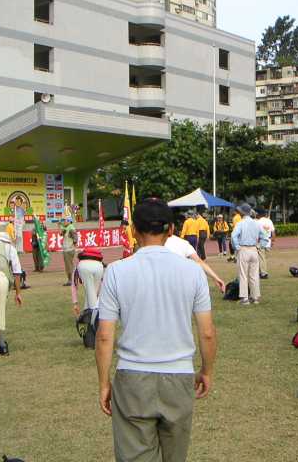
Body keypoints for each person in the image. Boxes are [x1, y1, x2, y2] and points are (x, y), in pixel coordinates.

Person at [95, 198, 217, 462]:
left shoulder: (116, 271)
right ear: (171, 230)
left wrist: (104, 383)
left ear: (134, 230)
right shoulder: (193, 272)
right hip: (179, 376)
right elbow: (207, 332)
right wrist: (206, 371)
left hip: (132, 378)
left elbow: (104, 335)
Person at [231, 203, 267, 305]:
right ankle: (255, 298)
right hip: (254, 250)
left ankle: (245, 298)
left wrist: (237, 247)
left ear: (242, 212)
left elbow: (233, 236)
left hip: (243, 249)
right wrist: (260, 246)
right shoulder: (256, 223)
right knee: (254, 275)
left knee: (243, 275)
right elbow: (264, 237)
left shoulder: (240, 223)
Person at [72, 247, 105, 317]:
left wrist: (75, 303)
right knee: (92, 293)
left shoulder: (78, 266)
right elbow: (102, 284)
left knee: (90, 292)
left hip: (84, 267)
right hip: (99, 266)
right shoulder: (99, 263)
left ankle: (95, 317)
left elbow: (74, 285)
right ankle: (87, 314)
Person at [256, 208, 275, 279]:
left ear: (259, 214)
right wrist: (273, 241)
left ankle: (263, 273)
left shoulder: (258, 222)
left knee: (261, 258)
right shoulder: (269, 221)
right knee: (263, 258)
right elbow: (273, 232)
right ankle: (261, 272)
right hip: (268, 241)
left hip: (261, 241)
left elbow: (256, 233)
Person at [60, 217, 78, 286]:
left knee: (69, 265)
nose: (64, 222)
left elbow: (75, 238)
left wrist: (73, 245)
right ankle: (71, 279)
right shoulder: (67, 228)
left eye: (65, 221)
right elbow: (61, 233)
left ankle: (71, 280)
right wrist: (59, 226)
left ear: (69, 221)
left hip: (69, 250)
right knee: (68, 265)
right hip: (67, 249)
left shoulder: (71, 229)